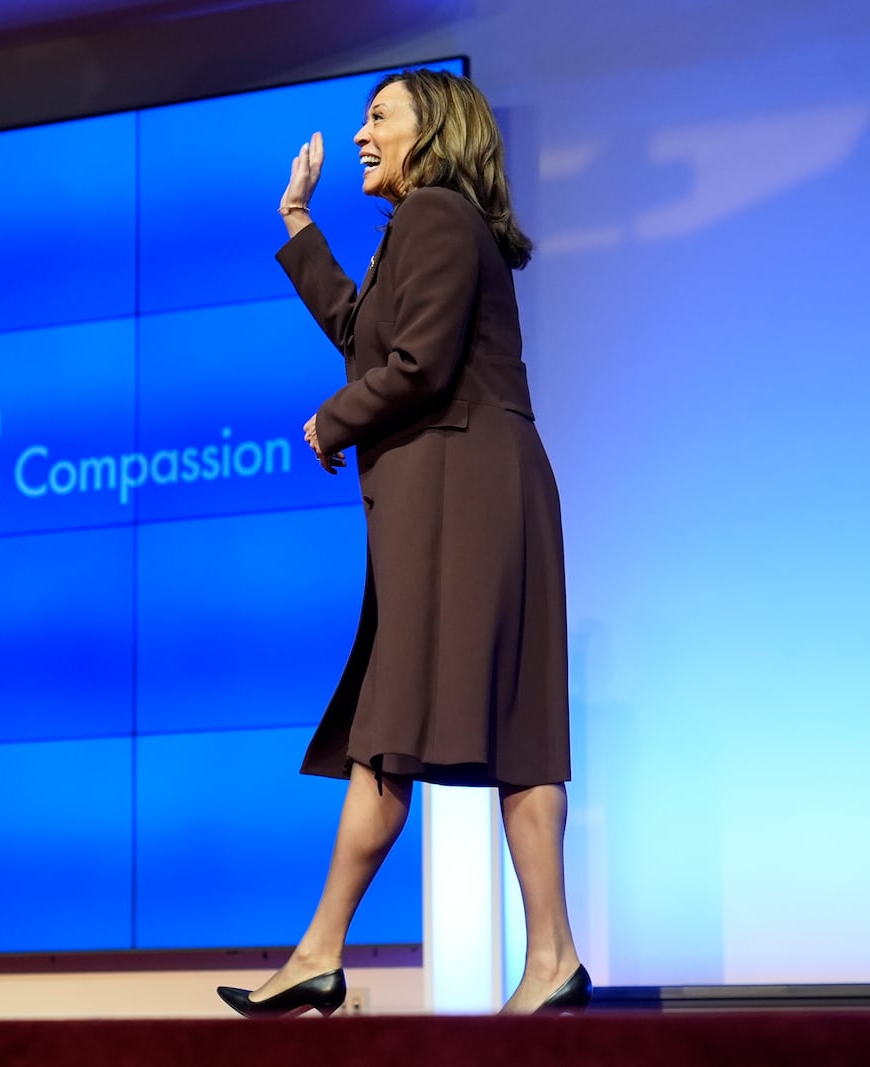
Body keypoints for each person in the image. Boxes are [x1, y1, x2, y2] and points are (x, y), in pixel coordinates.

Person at [215, 68, 587, 1018]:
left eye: (379, 117)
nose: (360, 134)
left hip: (466, 495)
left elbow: (414, 367)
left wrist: (331, 422)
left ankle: (326, 952)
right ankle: (545, 959)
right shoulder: (419, 232)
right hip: (465, 495)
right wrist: (300, 224)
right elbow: (365, 332)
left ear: (434, 131)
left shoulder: (436, 216)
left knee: (403, 726)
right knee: (497, 725)